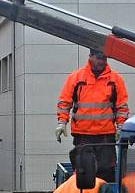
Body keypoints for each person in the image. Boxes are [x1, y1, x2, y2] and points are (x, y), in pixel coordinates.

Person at [55, 48, 129, 182]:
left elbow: (121, 106)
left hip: (106, 136)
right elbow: (65, 102)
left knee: (106, 173)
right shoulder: (76, 78)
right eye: (99, 58)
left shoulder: (115, 80)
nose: (102, 61)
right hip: (83, 135)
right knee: (84, 172)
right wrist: (61, 122)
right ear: (90, 56)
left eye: (104, 58)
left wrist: (121, 126)